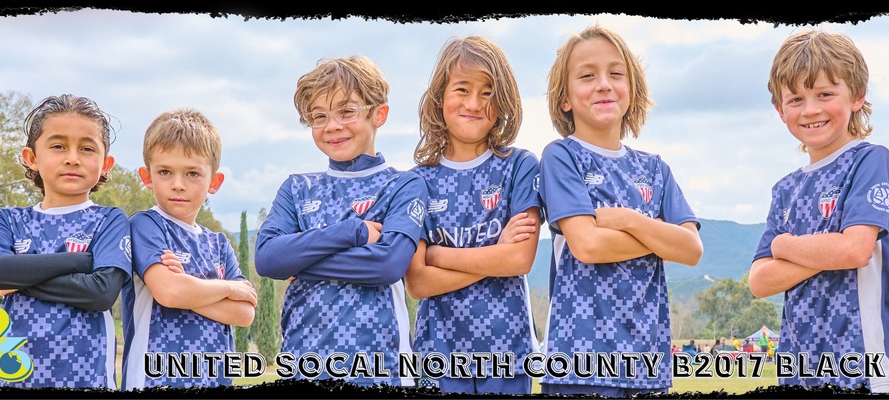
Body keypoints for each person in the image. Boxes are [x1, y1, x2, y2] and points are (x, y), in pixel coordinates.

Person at [537, 24, 703, 397]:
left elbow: (692, 250)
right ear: (564, 99)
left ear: (632, 90)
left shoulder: (655, 169)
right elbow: (588, 246)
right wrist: (660, 237)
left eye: (616, 73)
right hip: (580, 362)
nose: (603, 84)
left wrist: (629, 220)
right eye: (587, 76)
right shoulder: (561, 157)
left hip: (646, 361)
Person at [254, 55, 427, 388]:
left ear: (379, 114)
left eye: (347, 112)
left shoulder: (404, 185)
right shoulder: (297, 188)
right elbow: (267, 259)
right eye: (319, 116)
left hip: (381, 369)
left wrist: (300, 259)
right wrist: (352, 231)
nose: (332, 126)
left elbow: (386, 265)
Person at [747, 29, 889, 393]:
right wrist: (827, 250)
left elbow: (855, 250)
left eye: (825, 94)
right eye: (796, 99)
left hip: (864, 363)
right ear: (780, 109)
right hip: (800, 366)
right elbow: (760, 281)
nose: (811, 110)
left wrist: (785, 247)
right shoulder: (785, 188)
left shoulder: (869, 160)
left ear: (857, 95)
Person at [402, 35, 541, 395]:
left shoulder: (520, 166)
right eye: (462, 89)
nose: (475, 103)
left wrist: (439, 255)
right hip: (438, 355)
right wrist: (495, 254)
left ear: (504, 100)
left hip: (508, 353)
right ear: (439, 98)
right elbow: (417, 283)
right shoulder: (416, 182)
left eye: (488, 92)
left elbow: (519, 260)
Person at [0, 94, 131, 388]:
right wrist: (78, 262)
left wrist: (18, 276)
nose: (72, 158)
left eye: (87, 148)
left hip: (87, 380)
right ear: (32, 158)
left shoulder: (109, 220)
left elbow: (100, 293)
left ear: (105, 164)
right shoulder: (10, 220)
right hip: (17, 378)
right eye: (58, 146)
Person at [119, 109, 256, 390]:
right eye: (165, 172)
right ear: (147, 176)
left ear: (214, 182)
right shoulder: (145, 225)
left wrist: (187, 287)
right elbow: (170, 292)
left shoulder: (219, 244)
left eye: (192, 173)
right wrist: (227, 288)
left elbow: (244, 314)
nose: (178, 185)